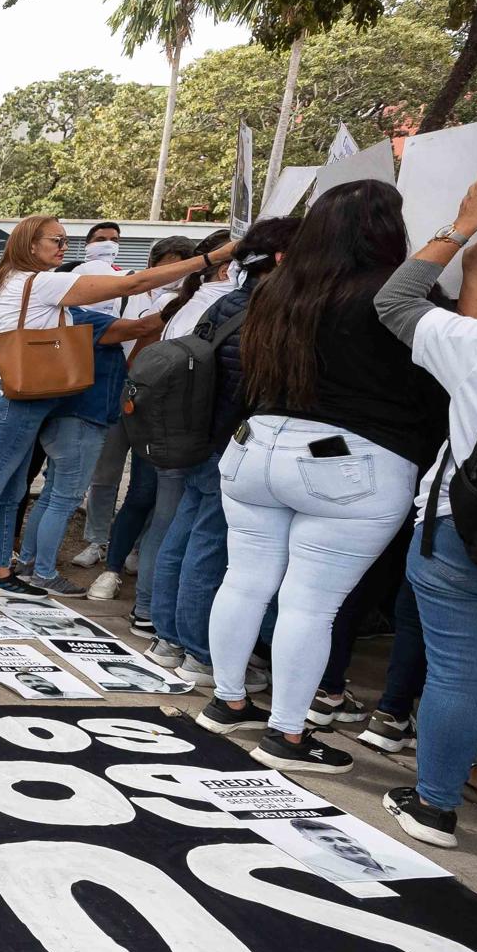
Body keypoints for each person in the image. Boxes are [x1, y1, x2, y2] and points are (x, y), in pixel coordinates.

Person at [194, 181, 445, 776]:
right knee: (310, 603)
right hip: (351, 459)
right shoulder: (396, 293)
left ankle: (228, 699)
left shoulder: (278, 289)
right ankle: (286, 733)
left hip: (256, 448)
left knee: (246, 580)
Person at [0, 216, 237, 613]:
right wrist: (212, 258)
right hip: (17, 400)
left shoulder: (8, 282)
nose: (63, 247)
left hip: (14, 396)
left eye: (65, 240)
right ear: (30, 245)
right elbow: (132, 284)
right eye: (55, 240)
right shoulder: (42, 282)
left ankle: (0, 572)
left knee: (10, 490)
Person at [371, 172, 477, 846]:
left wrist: (461, 224)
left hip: (459, 531)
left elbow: (398, 298)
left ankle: (436, 804)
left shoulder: (470, 348)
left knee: (458, 667)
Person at [144, 221, 296, 682]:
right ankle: (200, 652)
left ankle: (168, 638)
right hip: (231, 441)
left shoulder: (227, 303)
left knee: (185, 536)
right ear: (283, 259)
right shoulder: (275, 312)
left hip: (201, 436)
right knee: (209, 547)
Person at [82, 237, 196, 600]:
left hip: (163, 409)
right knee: (105, 473)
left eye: (179, 264)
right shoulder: (129, 292)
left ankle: (133, 552)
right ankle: (99, 543)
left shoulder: (195, 302)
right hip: (123, 391)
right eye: (164, 263)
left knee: (147, 488)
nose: (170, 273)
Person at [12, 297, 153, 593]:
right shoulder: (86, 319)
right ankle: (43, 573)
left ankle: (29, 564)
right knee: (63, 500)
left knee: (52, 495)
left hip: (60, 418)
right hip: (83, 421)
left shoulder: (55, 318)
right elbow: (143, 326)